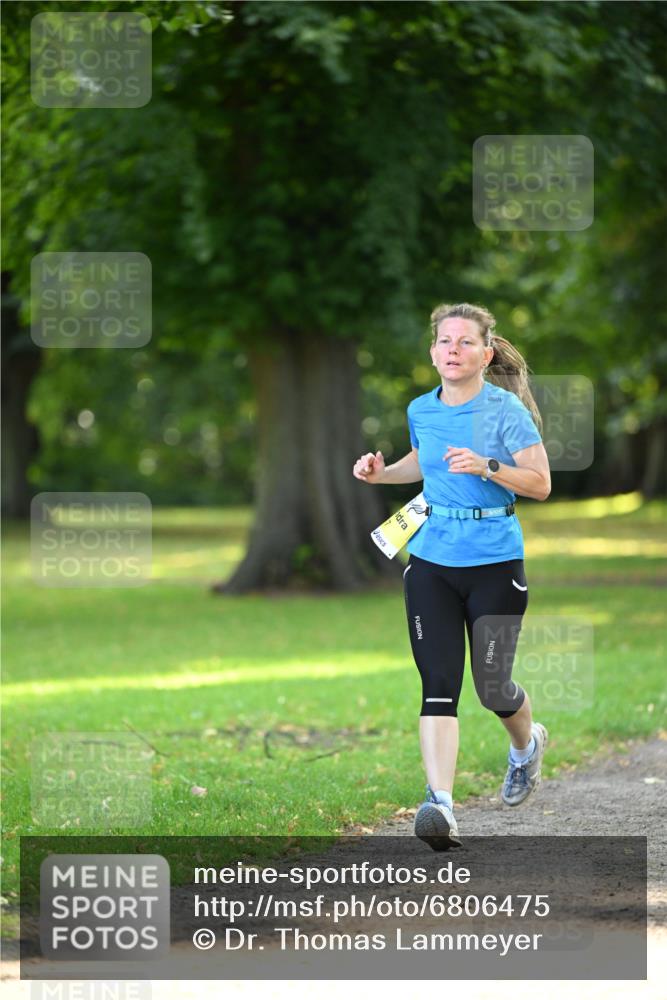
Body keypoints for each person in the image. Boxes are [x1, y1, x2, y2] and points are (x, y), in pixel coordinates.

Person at [352, 302, 551, 850]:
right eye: (444, 341)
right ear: (433, 351)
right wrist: (382, 473)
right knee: (438, 685)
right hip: (432, 561)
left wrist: (488, 465)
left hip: (495, 559)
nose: (453, 350)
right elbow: (424, 460)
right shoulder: (422, 408)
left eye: (465, 342)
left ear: (487, 353)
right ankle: (440, 806)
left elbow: (540, 483)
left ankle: (525, 745)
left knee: (492, 687)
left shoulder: (506, 411)